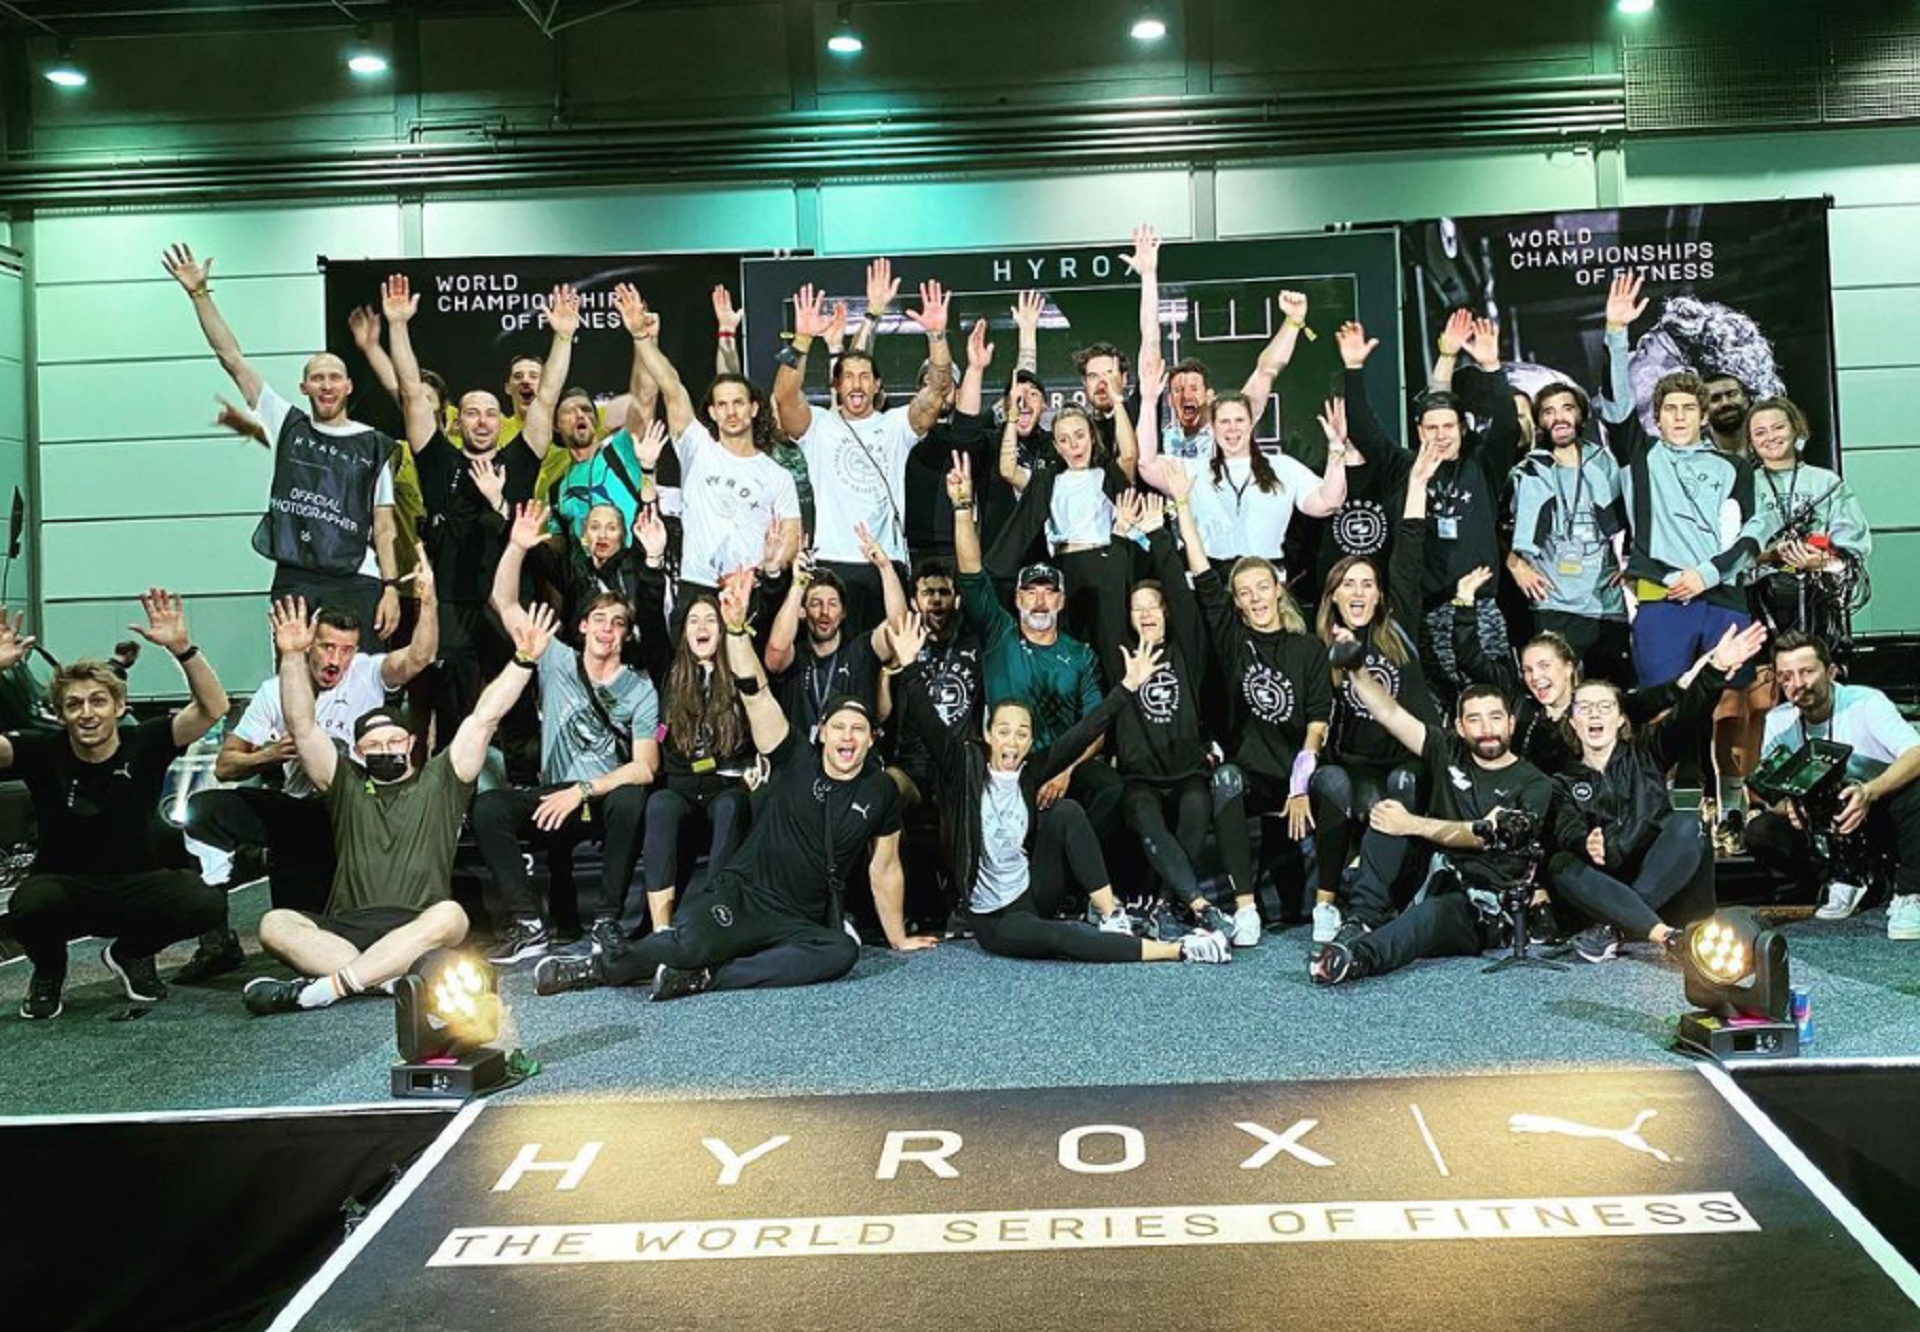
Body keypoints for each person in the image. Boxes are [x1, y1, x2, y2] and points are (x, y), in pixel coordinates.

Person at [534, 568, 935, 1000]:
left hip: (800, 916)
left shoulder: (879, 792)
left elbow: (885, 867)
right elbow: (755, 692)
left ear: (871, 738)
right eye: (839, 727)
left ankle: (709, 977)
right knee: (687, 943)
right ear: (822, 733)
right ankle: (592, 969)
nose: (848, 737)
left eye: (859, 729)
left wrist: (897, 938)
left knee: (840, 951)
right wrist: (738, 631)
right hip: (747, 895)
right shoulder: (795, 756)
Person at [240, 596, 550, 1015]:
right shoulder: (346, 782)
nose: (386, 749)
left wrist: (524, 660)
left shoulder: (442, 780)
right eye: (374, 745)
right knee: (273, 924)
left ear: (411, 743)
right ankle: (386, 980)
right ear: (359, 752)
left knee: (451, 916)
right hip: (347, 929)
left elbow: (484, 719)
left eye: (394, 741)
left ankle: (327, 988)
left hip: (417, 926)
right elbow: (303, 725)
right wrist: (293, 656)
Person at [893, 611, 1230, 965]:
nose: (1013, 740)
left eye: (1022, 733)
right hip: (995, 918)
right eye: (1004, 731)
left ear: (1030, 740)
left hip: (1033, 890)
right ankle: (1182, 950)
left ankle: (1111, 915)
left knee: (1065, 811)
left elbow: (1084, 732)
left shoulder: (1030, 770)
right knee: (1060, 937)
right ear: (989, 734)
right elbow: (928, 721)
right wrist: (909, 666)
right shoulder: (961, 768)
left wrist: (1127, 687)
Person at [178, 559, 439, 981]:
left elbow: (421, 656)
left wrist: (427, 602)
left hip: (357, 810)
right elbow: (226, 765)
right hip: (299, 807)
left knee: (319, 929)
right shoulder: (273, 691)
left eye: (347, 650)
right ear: (309, 644)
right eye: (327, 647)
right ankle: (216, 939)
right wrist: (267, 755)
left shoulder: (369, 673)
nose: (336, 660)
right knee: (203, 810)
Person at [163, 244, 402, 647]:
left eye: (335, 377)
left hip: (358, 577)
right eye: (318, 377)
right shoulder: (287, 421)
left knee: (360, 678)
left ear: (349, 386)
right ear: (304, 387)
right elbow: (232, 359)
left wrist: (392, 588)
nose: (326, 384)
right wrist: (198, 294)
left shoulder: (373, 444)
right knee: (294, 675)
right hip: (296, 574)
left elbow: (383, 523)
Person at [3, 595, 229, 1019]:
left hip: (136, 884)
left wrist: (184, 649)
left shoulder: (144, 742)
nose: (86, 713)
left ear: (119, 707)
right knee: (28, 906)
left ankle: (131, 953)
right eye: (74, 704)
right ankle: (49, 972)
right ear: (60, 713)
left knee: (204, 902)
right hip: (65, 887)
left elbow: (214, 708)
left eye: (98, 702)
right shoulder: (40, 750)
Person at [477, 503, 661, 964]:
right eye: (599, 620)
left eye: (618, 623)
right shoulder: (557, 659)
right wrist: (517, 548)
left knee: (632, 797)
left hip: (599, 795)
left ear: (626, 635)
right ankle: (527, 924)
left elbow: (644, 768)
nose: (608, 629)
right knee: (489, 807)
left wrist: (580, 791)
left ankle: (606, 922)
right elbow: (505, 603)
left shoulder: (640, 688)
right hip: (550, 794)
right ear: (582, 627)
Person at [1164, 460, 1332, 932]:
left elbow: (1318, 722)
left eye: (1262, 588)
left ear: (1278, 590)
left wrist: (1301, 782)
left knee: (1337, 785)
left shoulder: (1308, 649)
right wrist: (1181, 504)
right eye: (1245, 593)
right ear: (1237, 602)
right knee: (1226, 781)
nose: (1255, 598)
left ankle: (1327, 906)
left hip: (1297, 771)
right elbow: (1200, 568)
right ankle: (1245, 909)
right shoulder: (1233, 639)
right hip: (1253, 774)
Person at [384, 273, 549, 744]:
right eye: (472, 412)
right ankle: (454, 807)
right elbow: (413, 393)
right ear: (458, 421)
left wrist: (560, 336)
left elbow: (548, 398)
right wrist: (398, 327)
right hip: (452, 610)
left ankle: (521, 797)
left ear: (503, 420)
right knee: (454, 719)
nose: (482, 420)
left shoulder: (519, 460)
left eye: (491, 412)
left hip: (508, 606)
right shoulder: (439, 461)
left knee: (517, 714)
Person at [1308, 670, 1553, 987]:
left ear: (1511, 723)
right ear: (1460, 727)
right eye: (1475, 720)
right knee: (1387, 815)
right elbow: (1388, 712)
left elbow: (1484, 836)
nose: (1487, 729)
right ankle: (1361, 921)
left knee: (1428, 914)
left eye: (1495, 718)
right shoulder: (1445, 748)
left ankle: (1358, 959)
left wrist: (1412, 823)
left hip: (1480, 903)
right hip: (1430, 873)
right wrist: (1355, 668)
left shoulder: (1535, 783)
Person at [1548, 623, 1768, 962]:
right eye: (1584, 707)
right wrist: (1584, 842)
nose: (1594, 713)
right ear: (1572, 722)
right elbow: (1565, 828)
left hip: (1667, 882)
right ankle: (1662, 934)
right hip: (1609, 885)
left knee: (1686, 823)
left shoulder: (1648, 750)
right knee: (1561, 863)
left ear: (1621, 719)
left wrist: (1716, 670)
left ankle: (1617, 929)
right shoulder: (1563, 781)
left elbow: (1689, 713)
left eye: (1605, 706)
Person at [1105, 492, 1256, 946]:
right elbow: (1110, 597)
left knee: (1195, 808)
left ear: (1167, 611)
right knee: (1145, 815)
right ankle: (1198, 906)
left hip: (1187, 770)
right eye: (1138, 608)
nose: (1147, 613)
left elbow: (1179, 591)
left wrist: (1157, 534)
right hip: (1140, 777)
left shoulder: (1185, 649)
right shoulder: (1121, 654)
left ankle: (1166, 905)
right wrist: (1119, 539)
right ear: (1129, 618)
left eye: (1154, 605)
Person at [1307, 439, 1443, 943]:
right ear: (1333, 595)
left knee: (1404, 789)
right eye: (1349, 585)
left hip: (1402, 760)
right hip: (1351, 766)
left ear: (1379, 594)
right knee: (1345, 789)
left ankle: (1385, 900)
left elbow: (1408, 548)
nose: (1359, 592)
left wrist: (1418, 486)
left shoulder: (1398, 627)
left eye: (1367, 584)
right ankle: (1341, 901)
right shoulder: (1316, 645)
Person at [949, 454, 1122, 835]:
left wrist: (1066, 772)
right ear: (1018, 600)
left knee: (1109, 787)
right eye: (1031, 593)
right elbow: (972, 574)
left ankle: (1081, 884)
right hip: (1006, 763)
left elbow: (1096, 729)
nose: (1040, 601)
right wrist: (962, 508)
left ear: (1061, 601)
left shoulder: (1080, 655)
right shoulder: (999, 633)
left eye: (1049, 593)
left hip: (1061, 767)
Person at [772, 276, 954, 634]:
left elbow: (937, 391)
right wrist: (802, 341)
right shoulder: (819, 426)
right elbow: (784, 397)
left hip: (885, 562)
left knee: (889, 664)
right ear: (836, 386)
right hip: (832, 563)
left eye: (865, 376)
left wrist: (936, 337)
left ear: (877, 385)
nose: (857, 384)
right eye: (849, 377)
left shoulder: (895, 426)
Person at [619, 283, 802, 601]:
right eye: (722, 405)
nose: (731, 412)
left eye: (739, 403)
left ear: (754, 408)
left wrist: (757, 574)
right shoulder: (697, 448)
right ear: (712, 413)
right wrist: (641, 339)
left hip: (752, 590)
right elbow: (671, 386)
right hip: (697, 589)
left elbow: (791, 535)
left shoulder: (778, 476)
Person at [628, 508, 756, 936]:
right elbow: (648, 615)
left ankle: (715, 919)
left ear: (723, 631)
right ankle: (662, 930)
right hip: (681, 789)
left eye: (711, 621)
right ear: (684, 632)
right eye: (694, 621)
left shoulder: (737, 667)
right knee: (660, 805)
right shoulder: (669, 670)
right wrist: (651, 562)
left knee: (731, 806)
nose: (702, 627)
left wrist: (770, 578)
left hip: (724, 787)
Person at [1743, 633, 1920, 939]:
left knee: (1915, 791)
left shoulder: (1865, 702)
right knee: (1762, 830)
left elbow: (1916, 752)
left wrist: (1870, 792)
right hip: (1827, 824)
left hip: (1877, 810)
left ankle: (1911, 892)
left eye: (1807, 671)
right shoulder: (1779, 720)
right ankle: (1841, 880)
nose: (1798, 683)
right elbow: (1769, 793)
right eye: (1787, 677)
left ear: (1831, 671)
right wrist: (1791, 809)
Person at [1135, 351, 1348, 574]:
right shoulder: (1193, 470)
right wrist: (1148, 402)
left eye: (1239, 420)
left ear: (1250, 425)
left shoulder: (1283, 467)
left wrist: (1336, 449)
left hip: (1268, 583)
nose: (1232, 428)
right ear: (1213, 428)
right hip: (1210, 583)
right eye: (1225, 422)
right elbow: (1147, 464)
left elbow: (1328, 502)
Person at [1126, 223, 1308, 466]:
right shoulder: (1157, 434)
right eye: (1178, 390)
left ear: (1210, 396)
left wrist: (1293, 323)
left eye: (1193, 388)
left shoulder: (1227, 428)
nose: (1185, 395)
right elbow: (1150, 341)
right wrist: (1148, 277)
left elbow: (1266, 371)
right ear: (1169, 400)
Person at [987, 390, 1137, 676]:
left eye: (1079, 436)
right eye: (1064, 440)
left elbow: (1129, 455)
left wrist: (1118, 403)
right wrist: (1011, 420)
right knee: (1072, 657)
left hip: (1107, 564)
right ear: (1056, 445)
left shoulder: (1106, 473)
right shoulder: (1047, 481)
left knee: (1112, 651)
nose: (1074, 445)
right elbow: (1008, 470)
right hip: (1065, 571)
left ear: (1092, 436)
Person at [1505, 381, 1632, 685]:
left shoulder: (1607, 464)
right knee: (1557, 695)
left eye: (1567, 408)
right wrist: (1514, 563)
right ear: (1539, 423)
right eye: (1548, 411)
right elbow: (1493, 527)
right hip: (1552, 603)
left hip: (1606, 605)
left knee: (1608, 696)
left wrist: (1635, 563)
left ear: (1582, 416)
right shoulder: (1525, 472)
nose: (1559, 417)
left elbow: (1640, 516)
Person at [763, 525, 908, 740]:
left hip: (852, 763)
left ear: (843, 613)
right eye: (815, 604)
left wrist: (886, 568)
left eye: (832, 604)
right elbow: (775, 651)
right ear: (801, 612)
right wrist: (798, 585)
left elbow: (900, 629)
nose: (824, 612)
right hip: (801, 765)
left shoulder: (860, 650)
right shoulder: (795, 656)